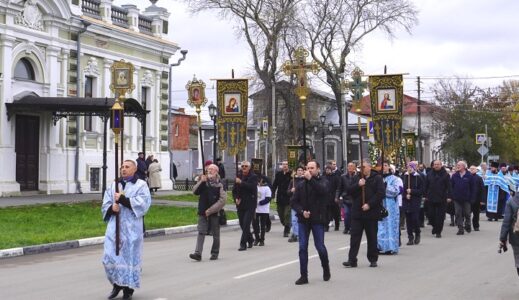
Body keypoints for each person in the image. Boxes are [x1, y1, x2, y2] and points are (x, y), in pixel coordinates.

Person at [102, 160, 151, 300]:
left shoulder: (141, 185)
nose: (123, 169)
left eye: (127, 167)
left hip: (132, 229)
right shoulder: (113, 185)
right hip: (114, 227)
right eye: (122, 167)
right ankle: (116, 284)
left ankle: (127, 290)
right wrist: (112, 208)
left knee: (128, 259)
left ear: (134, 169)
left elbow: (144, 204)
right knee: (109, 257)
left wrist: (123, 200)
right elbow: (105, 203)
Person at [290, 161, 330, 285]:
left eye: (312, 168)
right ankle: (303, 275)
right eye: (308, 168)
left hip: (318, 219)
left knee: (320, 247)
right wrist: (301, 212)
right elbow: (293, 201)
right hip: (304, 220)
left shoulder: (323, 181)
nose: (309, 170)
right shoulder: (301, 184)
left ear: (318, 169)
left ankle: (325, 267)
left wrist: (311, 179)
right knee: (302, 247)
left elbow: (323, 191)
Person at [343, 159, 385, 268]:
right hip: (357, 212)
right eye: (360, 167)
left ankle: (373, 259)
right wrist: (358, 185)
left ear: (369, 167)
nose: (362, 169)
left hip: (371, 212)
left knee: (371, 237)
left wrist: (369, 204)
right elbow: (348, 190)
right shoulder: (357, 178)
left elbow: (380, 194)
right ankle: (352, 259)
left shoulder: (377, 178)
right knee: (354, 237)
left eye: (364, 167)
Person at [189, 164, 226, 261]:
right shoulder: (203, 181)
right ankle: (198, 253)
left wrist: (210, 211)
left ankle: (214, 253)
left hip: (214, 212)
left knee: (215, 233)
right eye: (208, 169)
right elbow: (194, 192)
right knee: (201, 231)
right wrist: (201, 181)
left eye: (212, 170)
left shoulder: (220, 184)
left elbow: (222, 201)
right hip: (202, 211)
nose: (209, 171)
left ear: (216, 172)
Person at [232, 161, 258, 251]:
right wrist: (236, 198)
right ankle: (250, 239)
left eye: (246, 166)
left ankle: (243, 244)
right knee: (242, 224)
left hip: (250, 204)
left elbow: (251, 187)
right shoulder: (238, 176)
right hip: (240, 204)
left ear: (249, 167)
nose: (244, 167)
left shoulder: (253, 177)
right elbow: (234, 190)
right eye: (242, 166)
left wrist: (241, 182)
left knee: (246, 223)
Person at [424, 160, 452, 238]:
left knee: (440, 216)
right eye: (435, 164)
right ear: (433, 165)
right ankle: (434, 226)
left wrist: (449, 196)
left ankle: (438, 231)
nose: (436, 166)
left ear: (441, 165)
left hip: (442, 198)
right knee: (430, 215)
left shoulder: (446, 175)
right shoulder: (429, 174)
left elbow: (449, 187)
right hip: (431, 198)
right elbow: (426, 186)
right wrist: (424, 195)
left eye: (438, 164)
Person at [377, 162, 401, 254]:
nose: (383, 167)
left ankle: (390, 247)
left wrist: (386, 187)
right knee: (379, 226)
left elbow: (396, 191)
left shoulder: (395, 179)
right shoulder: (377, 178)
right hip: (378, 204)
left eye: (386, 165)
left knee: (389, 225)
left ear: (389, 167)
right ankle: (379, 246)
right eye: (382, 165)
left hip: (390, 205)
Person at [402, 161, 424, 245]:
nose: (409, 168)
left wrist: (412, 191)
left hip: (415, 201)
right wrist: (405, 195)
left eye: (411, 167)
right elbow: (401, 188)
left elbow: (421, 190)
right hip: (406, 201)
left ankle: (417, 233)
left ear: (414, 168)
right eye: (408, 167)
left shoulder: (419, 177)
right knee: (408, 220)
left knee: (414, 219)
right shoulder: (404, 176)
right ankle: (410, 237)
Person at [499, 193, 519, 278]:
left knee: (518, 259)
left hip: (516, 235)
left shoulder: (511, 201)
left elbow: (506, 222)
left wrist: (502, 238)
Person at [451, 161, 473, 235]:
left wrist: (472, 197)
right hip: (457, 198)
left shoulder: (469, 175)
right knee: (457, 213)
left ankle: (468, 225)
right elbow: (451, 186)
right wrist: (452, 196)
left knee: (467, 213)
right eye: (457, 165)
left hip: (467, 198)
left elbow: (473, 187)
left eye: (459, 165)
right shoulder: (454, 176)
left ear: (464, 166)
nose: (457, 166)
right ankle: (460, 229)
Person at [272, 161, 293, 237]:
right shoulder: (278, 174)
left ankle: (286, 230)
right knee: (281, 215)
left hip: (288, 197)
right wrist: (273, 193)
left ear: (288, 166)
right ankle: (287, 224)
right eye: (283, 164)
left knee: (287, 214)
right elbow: (275, 184)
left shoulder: (291, 174)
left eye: (286, 164)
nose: (285, 166)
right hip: (280, 197)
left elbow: (294, 183)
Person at [337, 162, 357, 234]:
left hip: (354, 198)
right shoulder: (343, 177)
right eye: (349, 166)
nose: (350, 167)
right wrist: (337, 196)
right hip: (346, 198)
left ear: (354, 167)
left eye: (352, 166)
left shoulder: (357, 176)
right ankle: (346, 227)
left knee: (352, 214)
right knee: (346, 213)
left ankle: (352, 228)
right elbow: (339, 188)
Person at [287, 166, 305, 242]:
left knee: (301, 220)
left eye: (301, 170)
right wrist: (291, 190)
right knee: (294, 220)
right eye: (298, 170)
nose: (300, 171)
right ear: (296, 172)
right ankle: (296, 234)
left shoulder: (305, 180)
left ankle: (301, 233)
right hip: (294, 203)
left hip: (303, 203)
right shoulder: (293, 181)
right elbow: (288, 192)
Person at [253, 177, 272, 246]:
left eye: (259, 181)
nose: (258, 182)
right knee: (255, 224)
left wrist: (260, 203)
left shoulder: (267, 188)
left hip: (264, 210)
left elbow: (268, 198)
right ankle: (256, 238)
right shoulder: (255, 187)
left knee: (262, 225)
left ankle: (262, 240)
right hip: (255, 209)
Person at [325, 161, 342, 231]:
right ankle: (326, 226)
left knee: (336, 212)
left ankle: (337, 225)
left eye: (329, 170)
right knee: (326, 212)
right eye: (326, 170)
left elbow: (338, 187)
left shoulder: (335, 177)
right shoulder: (324, 177)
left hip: (334, 197)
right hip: (326, 197)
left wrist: (337, 196)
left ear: (331, 170)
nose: (327, 171)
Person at [469, 165, 485, 231]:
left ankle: (476, 226)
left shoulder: (479, 178)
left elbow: (482, 189)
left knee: (476, 214)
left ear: (476, 170)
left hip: (477, 199)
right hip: (468, 199)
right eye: (471, 169)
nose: (472, 170)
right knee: (467, 214)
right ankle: (467, 225)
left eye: (473, 169)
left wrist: (482, 200)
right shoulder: (467, 177)